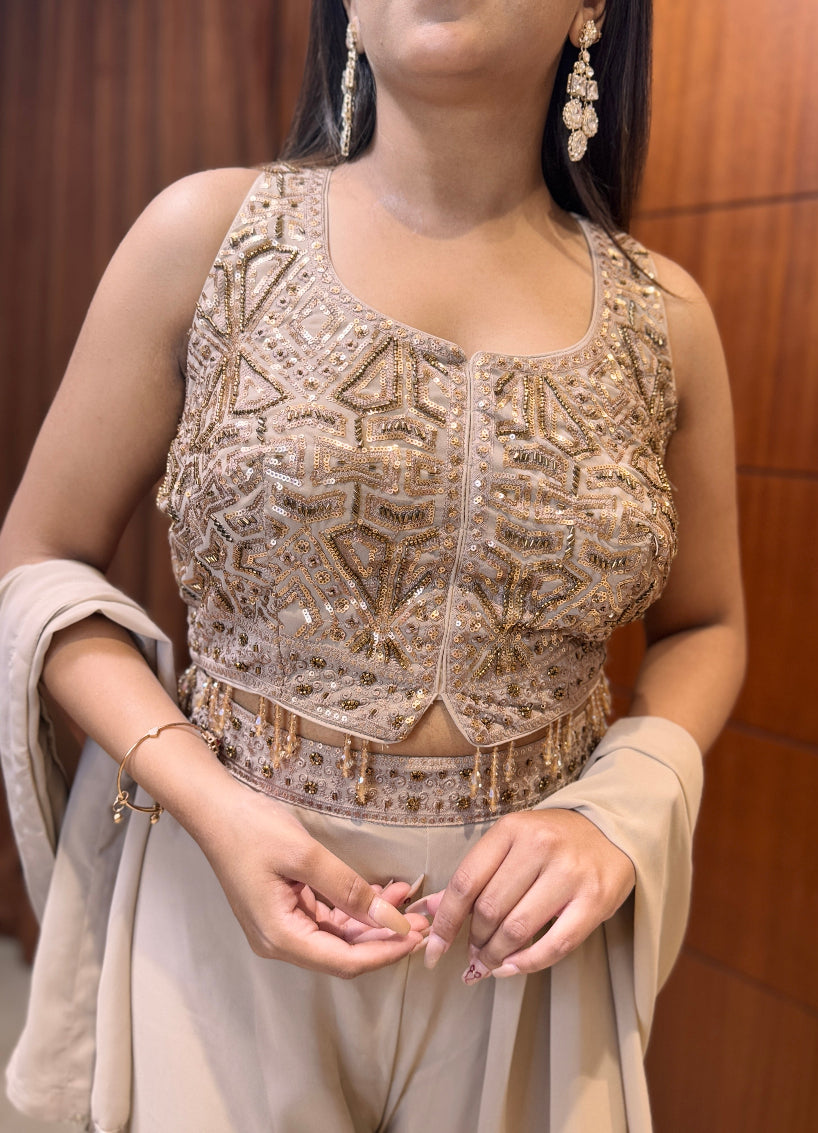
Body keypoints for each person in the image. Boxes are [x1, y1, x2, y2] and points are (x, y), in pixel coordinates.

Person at [0, 1, 745, 1130]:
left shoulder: (667, 319)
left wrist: (615, 810)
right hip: (217, 907)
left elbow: (706, 624)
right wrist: (204, 798)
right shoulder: (207, 234)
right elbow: (39, 552)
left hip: (519, 953)